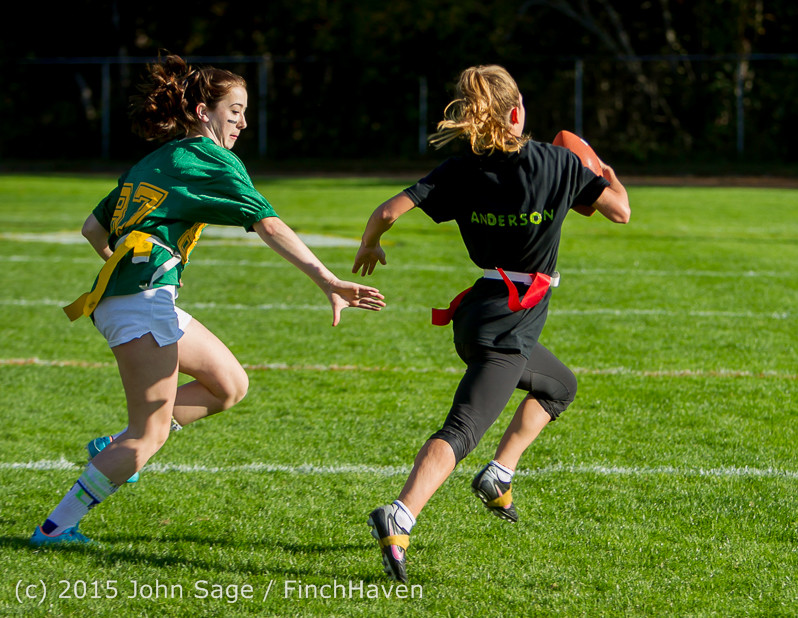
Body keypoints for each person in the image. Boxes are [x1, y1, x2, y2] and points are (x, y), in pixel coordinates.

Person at [29, 54, 385, 547]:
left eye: (244, 111)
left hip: (135, 296)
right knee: (148, 435)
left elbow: (93, 228)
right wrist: (327, 280)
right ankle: (55, 528)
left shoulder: (158, 158)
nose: (242, 121)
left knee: (229, 384)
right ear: (202, 111)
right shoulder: (210, 158)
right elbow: (269, 222)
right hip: (142, 300)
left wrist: (124, 268)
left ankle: (115, 446)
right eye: (234, 110)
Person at [353, 65, 630, 582]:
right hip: (508, 327)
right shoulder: (559, 163)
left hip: (481, 313)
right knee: (463, 427)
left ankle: (499, 475)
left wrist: (370, 243)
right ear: (517, 111)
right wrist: (601, 168)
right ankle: (400, 513)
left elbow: (389, 211)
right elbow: (620, 212)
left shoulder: (460, 169)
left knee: (560, 387)